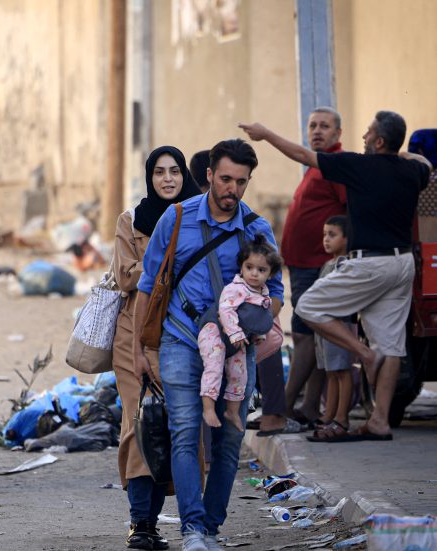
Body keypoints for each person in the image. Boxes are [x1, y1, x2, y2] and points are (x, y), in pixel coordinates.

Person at [240, 110, 431, 441]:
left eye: (369, 133)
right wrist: (403, 151)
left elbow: (303, 155)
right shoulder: (413, 170)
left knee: (310, 306)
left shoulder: (357, 165)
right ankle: (380, 421)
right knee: (393, 345)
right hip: (402, 265)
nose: (364, 138)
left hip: (370, 264)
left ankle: (365, 355)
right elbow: (425, 163)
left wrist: (266, 134)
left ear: (380, 141)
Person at [132, 139, 284, 550]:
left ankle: (212, 527)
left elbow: (277, 290)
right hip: (180, 339)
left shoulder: (256, 228)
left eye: (241, 181)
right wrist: (141, 350)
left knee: (229, 438)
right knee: (184, 432)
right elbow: (148, 286)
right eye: (225, 179)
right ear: (209, 176)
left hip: (236, 347)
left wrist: (261, 315)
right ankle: (192, 530)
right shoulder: (176, 219)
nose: (232, 189)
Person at [113, 146, 198, 550]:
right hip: (134, 334)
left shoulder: (200, 218)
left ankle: (195, 522)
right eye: (160, 172)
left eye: (175, 172)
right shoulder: (131, 220)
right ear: (149, 177)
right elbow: (126, 277)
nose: (168, 179)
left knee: (180, 427)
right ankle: (141, 524)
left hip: (184, 334)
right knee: (138, 424)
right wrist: (166, 251)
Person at [280, 107, 347, 429]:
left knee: (305, 335)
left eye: (325, 126)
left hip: (317, 265)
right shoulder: (314, 165)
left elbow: (348, 209)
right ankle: (307, 407)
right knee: (313, 337)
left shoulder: (334, 166)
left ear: (337, 134)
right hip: (302, 264)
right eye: (312, 125)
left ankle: (283, 406)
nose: (317, 131)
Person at [199, 235, 279, 433]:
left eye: (261, 270)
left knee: (239, 374)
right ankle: (208, 408)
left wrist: (258, 335)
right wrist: (234, 333)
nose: (254, 274)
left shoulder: (263, 293)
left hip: (240, 340)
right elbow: (225, 310)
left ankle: (232, 411)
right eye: (249, 267)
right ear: (241, 267)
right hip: (215, 332)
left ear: (270, 274)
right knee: (215, 364)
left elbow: (258, 318)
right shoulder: (236, 288)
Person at [306, 216, 359, 441]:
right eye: (325, 234)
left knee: (342, 371)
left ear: (347, 239)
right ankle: (329, 414)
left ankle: (341, 417)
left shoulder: (344, 264)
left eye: (332, 235)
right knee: (331, 371)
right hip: (324, 327)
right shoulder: (329, 263)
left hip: (339, 323)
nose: (326, 239)